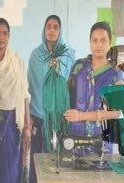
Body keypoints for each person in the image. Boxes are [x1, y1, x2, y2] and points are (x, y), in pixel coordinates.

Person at [64, 22, 124, 156]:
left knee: (102, 175)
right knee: (74, 173)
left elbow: (117, 112)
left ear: (110, 42)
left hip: (103, 137)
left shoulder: (115, 73)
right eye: (95, 40)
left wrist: (81, 116)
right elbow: (66, 96)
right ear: (90, 42)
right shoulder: (79, 66)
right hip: (76, 134)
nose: (99, 45)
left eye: (103, 40)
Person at [27, 15, 75, 183]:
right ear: (44, 29)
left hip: (60, 116)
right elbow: (31, 86)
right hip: (39, 115)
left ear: (60, 30)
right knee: (37, 157)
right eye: (49, 26)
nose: (52, 30)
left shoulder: (68, 55)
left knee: (59, 158)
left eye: (56, 27)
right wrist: (29, 115)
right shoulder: (35, 55)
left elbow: (71, 83)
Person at [0, 18, 31, 183]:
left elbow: (24, 94)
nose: (1, 37)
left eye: (5, 33)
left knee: (11, 167)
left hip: (12, 122)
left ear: (9, 36)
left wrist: (27, 125)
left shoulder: (17, 61)